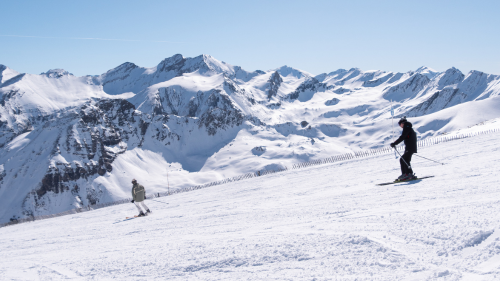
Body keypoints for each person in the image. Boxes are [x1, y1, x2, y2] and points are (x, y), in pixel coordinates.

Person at [390, 116, 417, 181]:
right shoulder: (408, 128)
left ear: (402, 123)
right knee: (405, 160)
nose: (400, 126)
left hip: (410, 147)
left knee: (403, 160)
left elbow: (403, 137)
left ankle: (406, 174)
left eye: (400, 124)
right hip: (410, 147)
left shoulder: (407, 128)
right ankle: (408, 173)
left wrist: (395, 143)